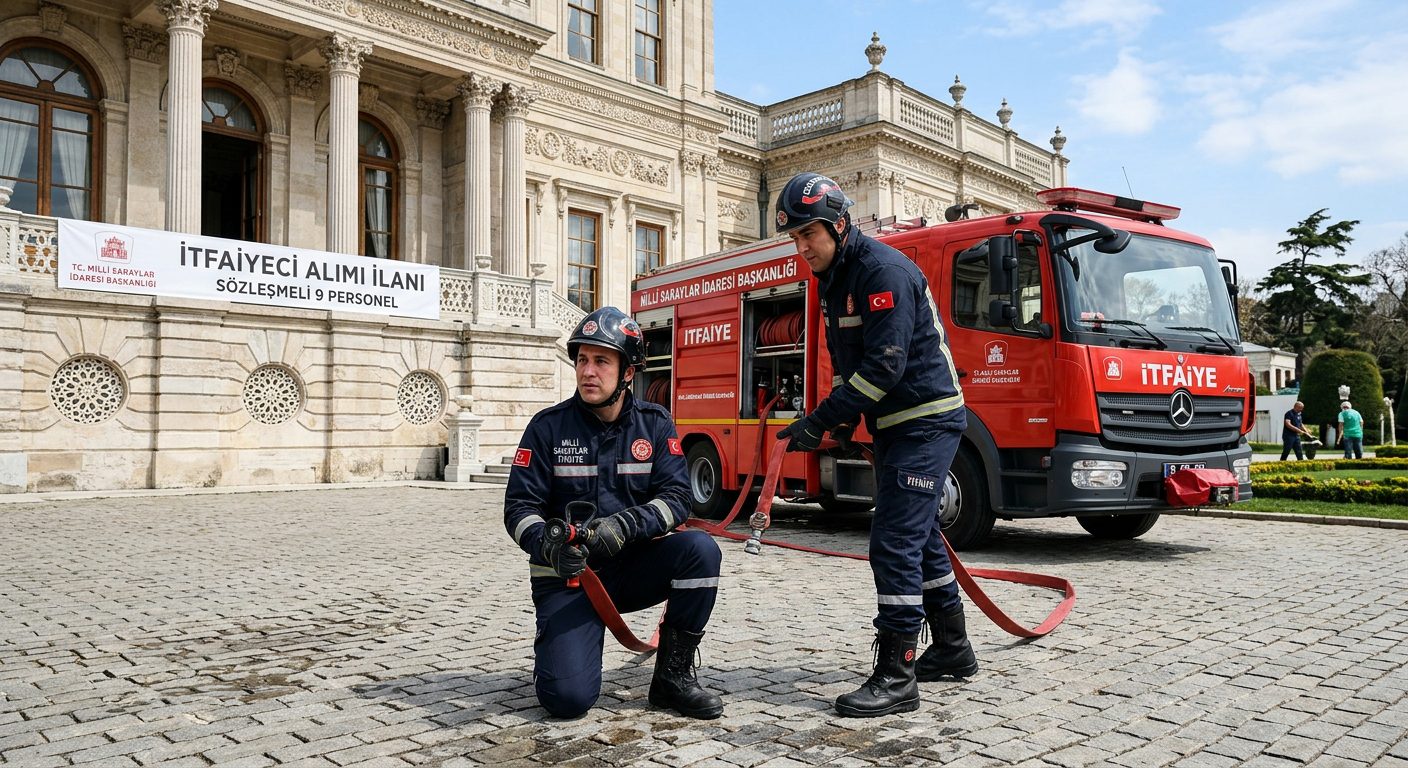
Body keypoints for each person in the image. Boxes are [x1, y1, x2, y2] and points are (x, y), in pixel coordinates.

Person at [773, 172, 978, 718]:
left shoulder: (880, 271)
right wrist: (838, 423)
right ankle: (954, 649)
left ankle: (897, 673)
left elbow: (884, 370)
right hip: (897, 425)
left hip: (926, 421)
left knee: (892, 543)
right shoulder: (836, 277)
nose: (800, 249)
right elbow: (849, 370)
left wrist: (820, 420)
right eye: (793, 238)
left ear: (839, 225)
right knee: (919, 537)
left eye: (806, 236)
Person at [503, 306, 725, 720]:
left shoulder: (655, 425)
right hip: (569, 576)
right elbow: (518, 508)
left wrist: (625, 525)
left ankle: (672, 680)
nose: (588, 371)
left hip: (630, 569)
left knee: (700, 550)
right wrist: (549, 547)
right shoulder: (546, 428)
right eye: (582, 360)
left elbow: (678, 498)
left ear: (628, 372)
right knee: (567, 701)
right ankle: (560, 647)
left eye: (601, 361)